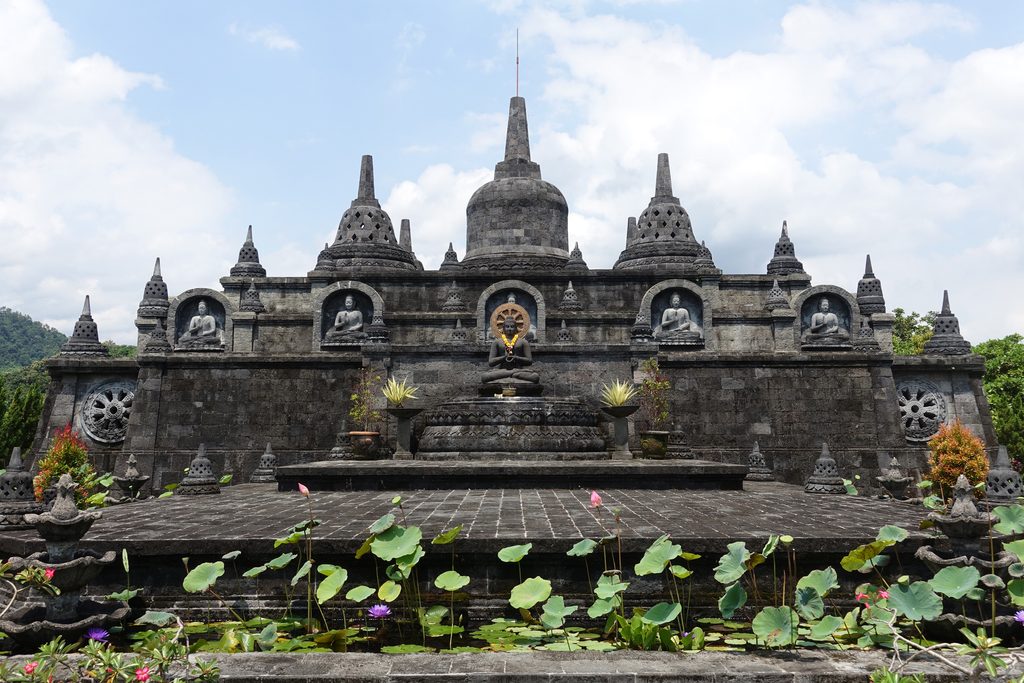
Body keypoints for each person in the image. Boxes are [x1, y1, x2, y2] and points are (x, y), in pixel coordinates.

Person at [482, 316, 539, 384]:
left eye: (512, 327)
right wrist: (504, 357)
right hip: (502, 370)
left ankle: (510, 374)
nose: (509, 329)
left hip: (518, 369)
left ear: (516, 328)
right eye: (507, 326)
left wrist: (516, 358)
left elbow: (529, 361)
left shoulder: (523, 342)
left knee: (535, 377)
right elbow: (491, 362)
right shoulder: (497, 342)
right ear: (503, 328)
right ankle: (512, 374)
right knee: (484, 376)